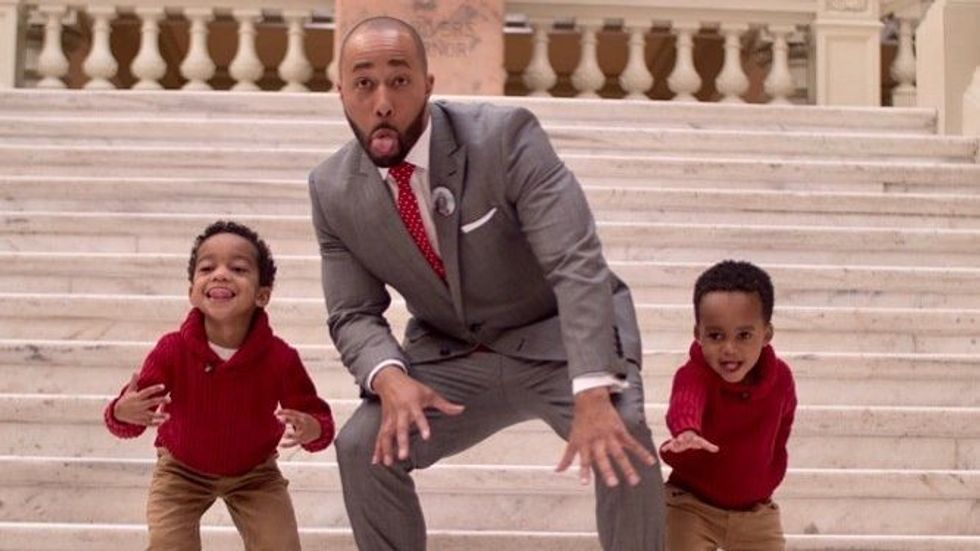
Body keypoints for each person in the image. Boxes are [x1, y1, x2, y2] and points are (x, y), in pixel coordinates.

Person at [307, 15, 664, 551]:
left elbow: (576, 261)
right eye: (363, 83)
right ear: (340, 93)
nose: (382, 101)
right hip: (453, 357)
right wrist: (389, 379)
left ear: (428, 85)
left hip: (555, 340)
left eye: (399, 81)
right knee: (362, 445)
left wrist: (593, 387)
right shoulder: (332, 189)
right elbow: (353, 313)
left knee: (624, 432)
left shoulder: (505, 137)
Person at [103, 220, 335, 551]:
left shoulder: (280, 358)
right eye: (207, 267)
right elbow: (132, 415)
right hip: (181, 471)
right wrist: (122, 412)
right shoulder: (172, 349)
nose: (220, 274)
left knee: (280, 544)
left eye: (238, 268)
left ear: (262, 295)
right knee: (168, 543)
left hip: (256, 473)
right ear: (192, 291)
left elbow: (317, 416)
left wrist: (314, 429)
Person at [659, 260, 796, 551]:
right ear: (698, 334)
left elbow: (781, 432)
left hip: (755, 513)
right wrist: (686, 429)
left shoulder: (781, 379)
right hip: (691, 505)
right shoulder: (695, 373)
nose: (729, 349)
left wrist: (766, 475)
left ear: (767, 334)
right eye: (716, 335)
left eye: (744, 335)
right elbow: (686, 398)